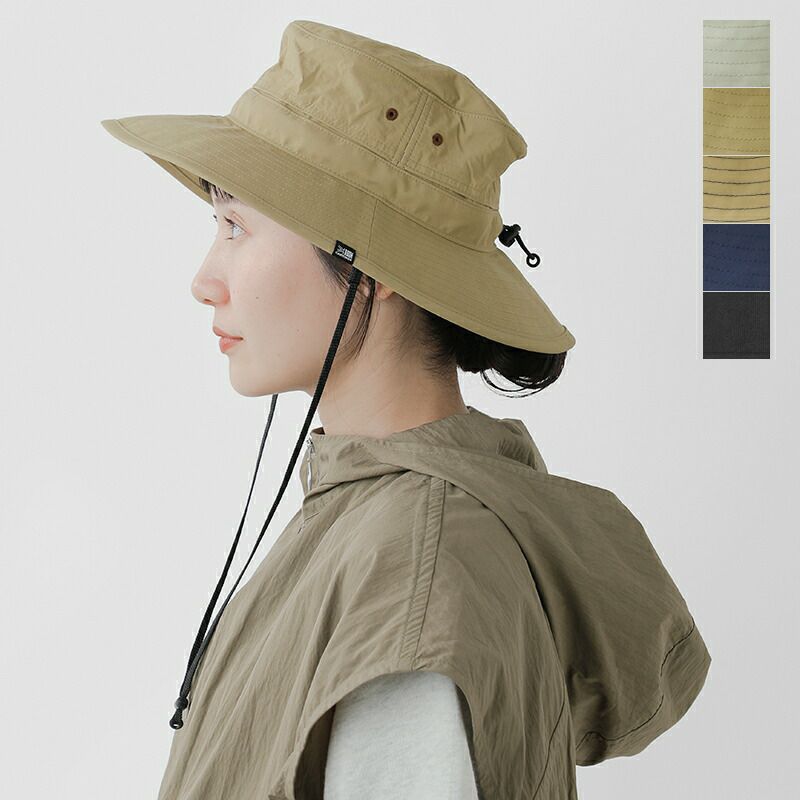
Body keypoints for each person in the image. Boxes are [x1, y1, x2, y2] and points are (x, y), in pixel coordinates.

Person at [100, 19, 711, 800]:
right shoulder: (372, 516)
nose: (204, 279)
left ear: (370, 267)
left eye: (235, 226)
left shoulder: (414, 567)